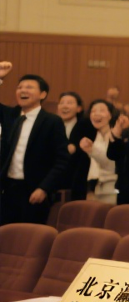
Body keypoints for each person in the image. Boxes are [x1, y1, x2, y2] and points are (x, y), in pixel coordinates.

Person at [0, 64, 72, 225]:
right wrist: (0, 78)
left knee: (29, 235)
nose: (23, 91)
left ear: (42, 94)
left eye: (29, 87)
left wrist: (44, 188)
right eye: (19, 87)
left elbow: (62, 160)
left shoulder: (52, 121)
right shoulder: (10, 116)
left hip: (34, 191)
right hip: (7, 189)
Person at [78, 99, 119, 204]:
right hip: (95, 188)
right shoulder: (94, 136)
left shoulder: (116, 136)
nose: (96, 114)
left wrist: (92, 151)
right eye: (93, 111)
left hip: (112, 188)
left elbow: (112, 164)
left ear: (111, 115)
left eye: (101, 110)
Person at [56, 91, 95, 200]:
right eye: (62, 103)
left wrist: (75, 148)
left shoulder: (86, 125)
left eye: (69, 103)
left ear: (79, 108)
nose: (65, 106)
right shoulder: (51, 124)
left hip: (76, 177)